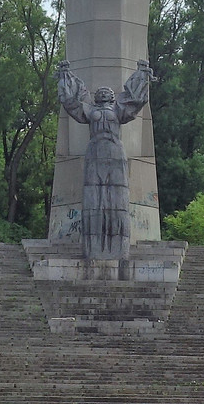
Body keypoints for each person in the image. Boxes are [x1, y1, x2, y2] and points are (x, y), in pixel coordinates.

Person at [57, 60, 154, 260]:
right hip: (94, 153)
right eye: (99, 92)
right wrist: (65, 75)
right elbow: (72, 103)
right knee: (94, 198)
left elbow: (134, 100)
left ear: (112, 97)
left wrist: (141, 74)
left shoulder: (118, 110)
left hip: (115, 153)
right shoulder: (90, 111)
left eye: (106, 91)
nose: (102, 93)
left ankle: (117, 247)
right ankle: (94, 247)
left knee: (116, 198)